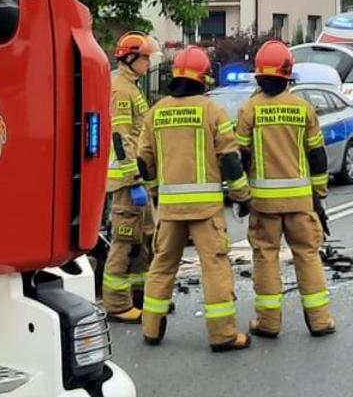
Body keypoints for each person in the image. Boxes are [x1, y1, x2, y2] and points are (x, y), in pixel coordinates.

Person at [137, 47, 254, 353]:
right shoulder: (212, 111)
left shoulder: (156, 111)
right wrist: (242, 195)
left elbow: (143, 161)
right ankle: (223, 334)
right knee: (214, 266)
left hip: (170, 208)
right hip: (205, 210)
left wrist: (154, 192)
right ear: (203, 78)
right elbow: (230, 160)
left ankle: (151, 327)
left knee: (162, 266)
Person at [235, 41, 336, 338]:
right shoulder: (304, 108)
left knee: (265, 257)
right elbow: (317, 156)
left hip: (264, 204)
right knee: (307, 255)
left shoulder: (249, 109)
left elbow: (241, 157)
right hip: (301, 201)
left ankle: (268, 322)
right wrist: (319, 195)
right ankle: (319, 320)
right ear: (288, 73)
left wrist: (241, 196)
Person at [101, 32, 159, 322]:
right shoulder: (121, 90)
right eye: (145, 57)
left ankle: (140, 294)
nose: (149, 63)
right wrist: (135, 178)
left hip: (137, 180)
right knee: (125, 240)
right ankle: (117, 304)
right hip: (128, 182)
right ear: (131, 58)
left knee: (144, 237)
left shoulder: (131, 86)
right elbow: (120, 139)